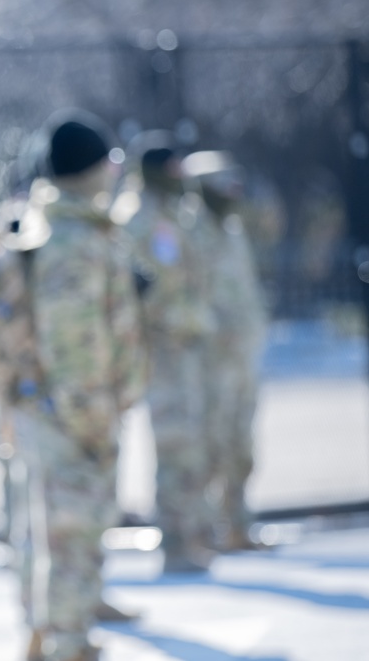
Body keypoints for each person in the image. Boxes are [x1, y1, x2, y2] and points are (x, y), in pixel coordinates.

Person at [0, 110, 144, 661]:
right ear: (90, 169)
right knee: (71, 531)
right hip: (70, 412)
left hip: (43, 409)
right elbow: (75, 349)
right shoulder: (73, 240)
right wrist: (90, 422)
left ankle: (48, 633)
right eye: (109, 161)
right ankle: (67, 642)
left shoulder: (47, 227)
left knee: (47, 530)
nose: (115, 172)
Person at [120, 130, 217, 572]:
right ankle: (177, 544)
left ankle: (194, 534)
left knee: (193, 444)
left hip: (187, 346)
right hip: (162, 348)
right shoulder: (137, 218)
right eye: (174, 168)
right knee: (175, 445)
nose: (182, 175)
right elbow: (138, 290)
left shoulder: (174, 214)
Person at [183, 150, 268, 552]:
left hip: (241, 357)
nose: (232, 189)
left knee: (241, 445)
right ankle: (203, 529)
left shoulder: (232, 228)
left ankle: (237, 525)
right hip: (210, 360)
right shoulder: (189, 230)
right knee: (208, 447)